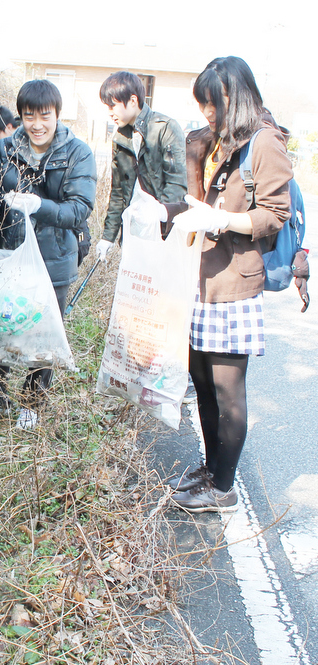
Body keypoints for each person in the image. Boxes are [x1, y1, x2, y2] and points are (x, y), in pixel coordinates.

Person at [166, 56, 293, 512]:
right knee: (201, 382)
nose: (206, 114)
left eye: (212, 105)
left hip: (234, 282)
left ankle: (223, 488)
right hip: (199, 278)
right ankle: (211, 468)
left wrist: (222, 218)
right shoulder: (218, 140)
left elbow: (276, 215)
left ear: (233, 96)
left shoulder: (264, 142)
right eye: (202, 107)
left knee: (227, 390)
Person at [0, 79, 97, 429]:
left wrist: (39, 205)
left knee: (42, 335)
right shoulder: (4, 148)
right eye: (29, 116)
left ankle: (31, 403)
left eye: (45, 115)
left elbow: (79, 209)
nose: (37, 124)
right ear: (20, 117)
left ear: (57, 114)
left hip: (53, 257)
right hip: (6, 251)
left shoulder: (77, 153)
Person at [96, 71, 187, 262]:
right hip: (133, 232)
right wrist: (108, 237)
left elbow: (176, 183)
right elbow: (118, 191)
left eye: (113, 105)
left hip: (161, 233)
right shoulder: (120, 137)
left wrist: (162, 224)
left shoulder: (165, 128)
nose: (110, 112)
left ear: (133, 100)